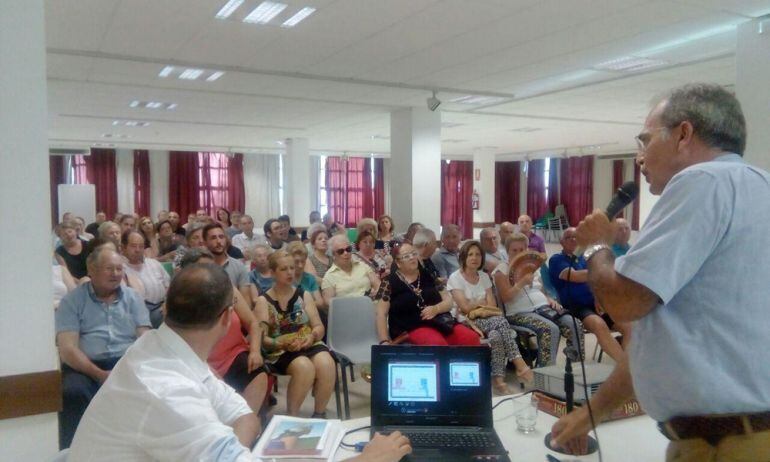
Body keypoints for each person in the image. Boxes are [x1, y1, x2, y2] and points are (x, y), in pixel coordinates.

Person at [551, 84, 770, 459]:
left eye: (645, 140)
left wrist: (597, 246)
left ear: (684, 134)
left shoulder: (702, 181)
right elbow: (664, 342)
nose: (639, 157)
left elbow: (626, 304)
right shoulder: (759, 185)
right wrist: (593, 411)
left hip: (723, 445)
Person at [70, 261, 411, 461]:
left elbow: (242, 414)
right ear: (226, 319)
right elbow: (238, 421)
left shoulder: (164, 351)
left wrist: (229, 448)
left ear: (168, 309)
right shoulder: (165, 388)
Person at [55, 246, 151, 448]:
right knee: (72, 392)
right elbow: (68, 349)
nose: (116, 274)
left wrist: (128, 368)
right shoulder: (72, 301)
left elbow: (144, 338)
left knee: (153, 386)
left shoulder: (133, 298)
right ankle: (76, 452)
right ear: (91, 270)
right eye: (109, 268)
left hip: (126, 363)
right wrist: (99, 374)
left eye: (119, 269)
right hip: (85, 367)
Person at [180, 249, 270, 417]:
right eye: (203, 269)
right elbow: (182, 346)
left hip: (234, 355)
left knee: (257, 374)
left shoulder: (228, 290)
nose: (211, 274)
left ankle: (245, 423)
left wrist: (255, 351)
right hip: (202, 362)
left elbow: (252, 323)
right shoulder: (183, 300)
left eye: (212, 268)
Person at [256, 251, 336, 417]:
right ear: (272, 273)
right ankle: (292, 416)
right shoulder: (263, 301)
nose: (290, 272)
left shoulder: (303, 295)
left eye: (292, 268)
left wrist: (312, 337)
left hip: (307, 341)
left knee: (327, 363)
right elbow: (262, 338)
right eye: (284, 269)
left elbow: (318, 326)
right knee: (304, 367)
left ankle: (319, 414)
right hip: (279, 349)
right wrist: (281, 343)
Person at [447, 240, 533, 394]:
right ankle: (519, 363)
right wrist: (480, 303)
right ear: (463, 257)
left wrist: (474, 303)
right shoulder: (455, 277)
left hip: (488, 319)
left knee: (496, 335)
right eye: (470, 254)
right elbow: (465, 309)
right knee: (500, 321)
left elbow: (492, 306)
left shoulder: (484, 277)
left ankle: (498, 378)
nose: (475, 258)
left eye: (478, 254)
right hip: (466, 321)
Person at [494, 233, 583, 367]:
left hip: (543, 307)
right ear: (507, 251)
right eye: (514, 250)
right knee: (550, 329)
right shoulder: (501, 270)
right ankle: (545, 372)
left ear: (527, 250)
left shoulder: (531, 267)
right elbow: (506, 297)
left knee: (574, 324)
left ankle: (575, 367)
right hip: (518, 313)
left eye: (522, 250)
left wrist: (550, 299)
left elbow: (539, 289)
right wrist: (521, 283)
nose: (519, 253)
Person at [548, 227, 630, 363]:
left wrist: (598, 297)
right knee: (599, 325)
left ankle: (628, 363)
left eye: (576, 237)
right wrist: (600, 271)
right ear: (562, 242)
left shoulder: (585, 259)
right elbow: (573, 275)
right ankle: (624, 366)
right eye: (569, 237)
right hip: (576, 306)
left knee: (628, 326)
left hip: (596, 302)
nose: (574, 240)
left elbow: (598, 282)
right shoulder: (557, 259)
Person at [376, 242, 480, 347]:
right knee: (437, 344)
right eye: (406, 256)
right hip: (411, 327)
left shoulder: (428, 275)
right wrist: (384, 340)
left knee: (471, 338)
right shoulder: (386, 282)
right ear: (398, 263)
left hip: (440, 322)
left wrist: (436, 309)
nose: (412, 258)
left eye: (413, 254)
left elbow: (449, 301)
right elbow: (381, 313)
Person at [121, 230, 170, 328]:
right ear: (123, 247)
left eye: (141, 246)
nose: (138, 250)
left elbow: (169, 286)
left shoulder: (154, 264)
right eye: (133, 246)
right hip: (139, 312)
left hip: (163, 306)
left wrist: (167, 303)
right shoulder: (120, 269)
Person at [203, 224, 255, 307]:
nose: (218, 241)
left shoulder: (239, 266)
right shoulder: (200, 267)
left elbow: (246, 301)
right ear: (205, 243)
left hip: (234, 311)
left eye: (221, 237)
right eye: (213, 238)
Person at [321, 235, 379, 306]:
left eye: (348, 249)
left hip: (371, 307)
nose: (346, 253)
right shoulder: (329, 277)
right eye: (340, 251)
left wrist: (376, 293)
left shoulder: (362, 265)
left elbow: (378, 285)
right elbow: (329, 303)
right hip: (348, 312)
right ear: (333, 255)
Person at [287, 241, 326, 312]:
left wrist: (303, 306)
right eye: (296, 262)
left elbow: (320, 303)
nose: (300, 265)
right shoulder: (284, 279)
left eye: (303, 261)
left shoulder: (310, 278)